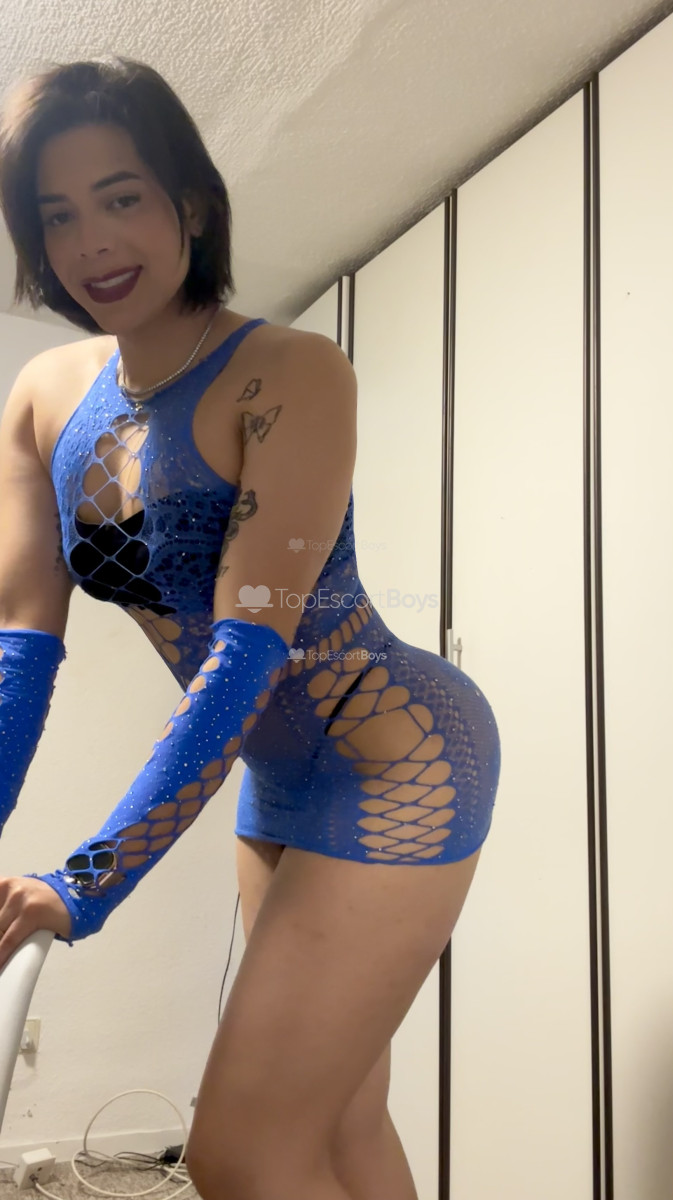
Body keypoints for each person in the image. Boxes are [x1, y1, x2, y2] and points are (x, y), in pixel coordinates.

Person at [0, 56, 501, 1200]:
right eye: (57, 215)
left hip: (402, 759)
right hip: (277, 779)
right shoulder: (43, 396)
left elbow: (242, 658)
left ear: (190, 203)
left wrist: (85, 879)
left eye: (121, 197)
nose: (91, 243)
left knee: (240, 1155)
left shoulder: (290, 371)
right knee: (340, 1122)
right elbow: (19, 648)